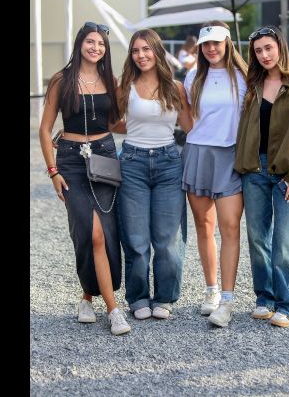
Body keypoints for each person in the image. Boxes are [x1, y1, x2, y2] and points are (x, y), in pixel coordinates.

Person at [38, 21, 131, 336]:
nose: (96, 48)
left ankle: (86, 297)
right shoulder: (61, 81)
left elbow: (115, 122)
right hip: (70, 163)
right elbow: (44, 128)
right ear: (79, 44)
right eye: (90, 42)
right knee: (90, 234)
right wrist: (53, 172)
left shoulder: (111, 80)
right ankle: (114, 309)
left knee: (105, 232)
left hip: (104, 156)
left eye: (101, 44)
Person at [234, 26, 289, 328]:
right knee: (257, 238)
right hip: (255, 171)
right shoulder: (253, 84)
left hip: (287, 171)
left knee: (283, 239)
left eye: (268, 48)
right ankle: (265, 298)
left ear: (280, 47)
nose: (264, 55)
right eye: (258, 51)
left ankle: (287, 303)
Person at [116, 28, 193, 321]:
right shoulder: (125, 86)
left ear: (157, 52)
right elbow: (113, 122)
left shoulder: (175, 87)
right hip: (132, 162)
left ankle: (164, 296)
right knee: (135, 239)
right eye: (136, 50)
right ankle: (137, 298)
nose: (141, 55)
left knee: (167, 239)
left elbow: (190, 126)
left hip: (169, 163)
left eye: (146, 49)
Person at [181, 20, 248, 327]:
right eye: (206, 44)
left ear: (227, 44)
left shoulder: (244, 76)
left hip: (231, 155)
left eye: (216, 43)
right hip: (198, 153)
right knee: (203, 225)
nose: (211, 49)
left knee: (230, 226)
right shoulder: (193, 75)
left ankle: (229, 299)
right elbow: (186, 116)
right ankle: (211, 292)